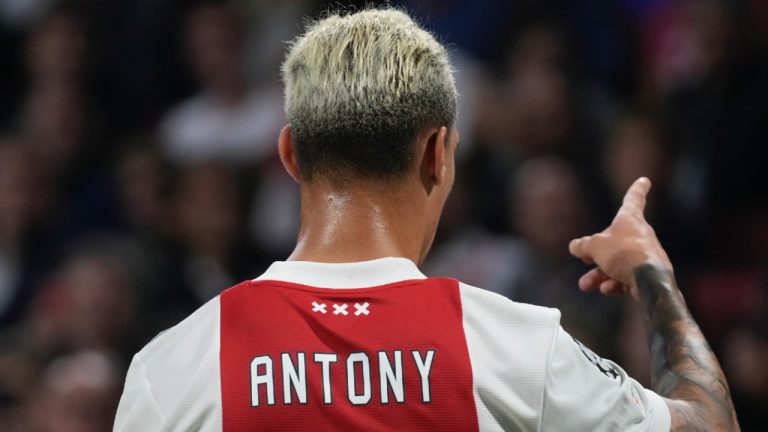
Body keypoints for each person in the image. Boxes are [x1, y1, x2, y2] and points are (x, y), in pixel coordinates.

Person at [113, 8, 738, 431]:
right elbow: (710, 424)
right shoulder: (515, 347)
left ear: (290, 157)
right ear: (439, 153)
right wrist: (654, 277)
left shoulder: (173, 368)